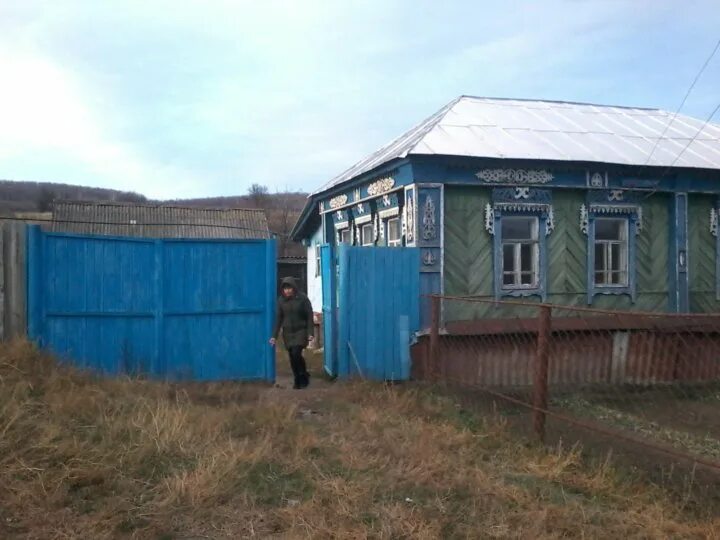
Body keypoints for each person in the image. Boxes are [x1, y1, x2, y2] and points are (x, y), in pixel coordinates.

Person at [270, 277, 314, 389]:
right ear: (282, 290)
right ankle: (298, 379)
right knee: (292, 357)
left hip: (301, 330)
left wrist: (310, 333)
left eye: (289, 288)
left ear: (294, 288)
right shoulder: (281, 301)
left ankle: (302, 376)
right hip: (288, 333)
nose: (287, 291)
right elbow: (279, 319)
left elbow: (309, 316)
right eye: (285, 289)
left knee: (296, 353)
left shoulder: (302, 298)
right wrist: (274, 336)